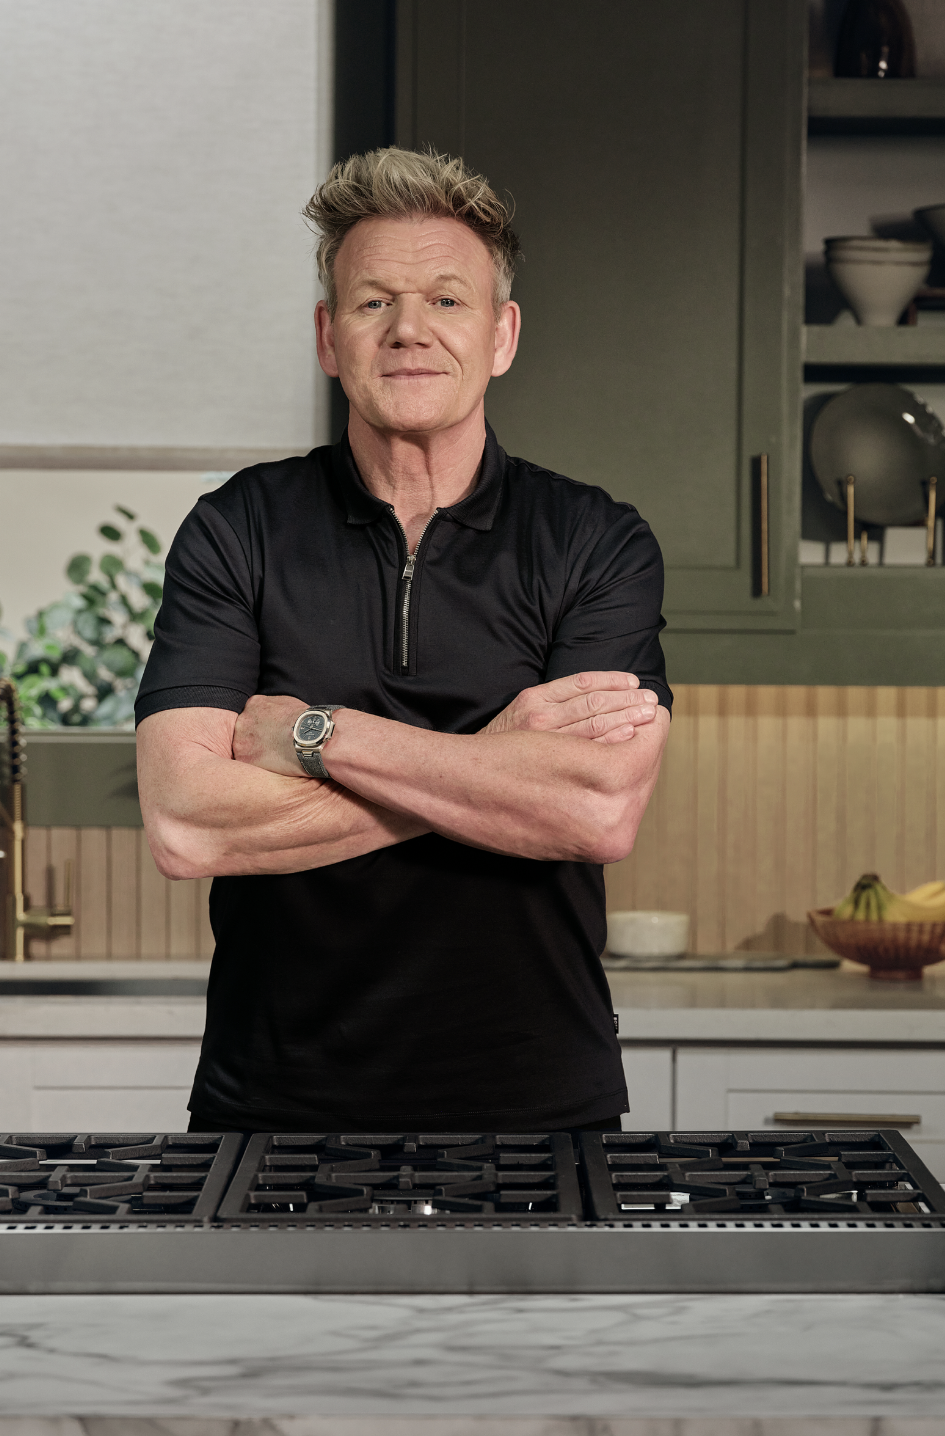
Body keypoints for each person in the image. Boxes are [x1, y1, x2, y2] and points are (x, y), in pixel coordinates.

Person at [135, 147, 672, 1134]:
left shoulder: (596, 540)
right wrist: (494, 766)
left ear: (503, 334)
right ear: (328, 337)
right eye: (374, 301)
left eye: (446, 299)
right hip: (274, 1109)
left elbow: (596, 813)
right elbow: (187, 825)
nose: (410, 329)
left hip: (540, 1106)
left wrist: (317, 737)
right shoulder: (238, 529)